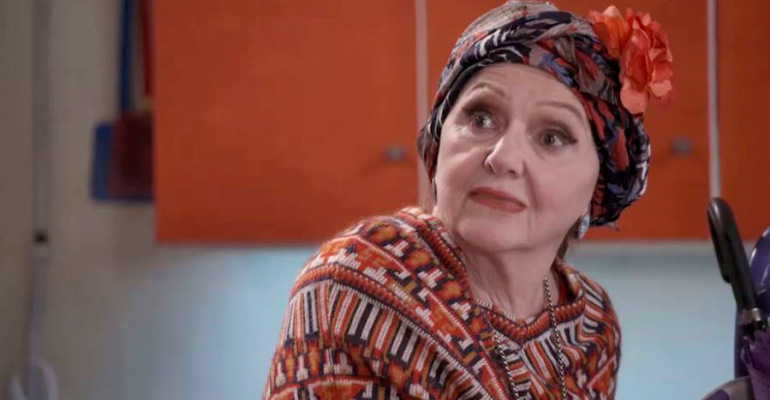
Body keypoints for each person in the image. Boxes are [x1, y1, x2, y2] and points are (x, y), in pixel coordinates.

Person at [263, 1, 673, 399]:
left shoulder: (594, 325)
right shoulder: (358, 283)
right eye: (481, 118)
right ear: (439, 139)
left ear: (598, 184)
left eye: (552, 137)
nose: (503, 157)